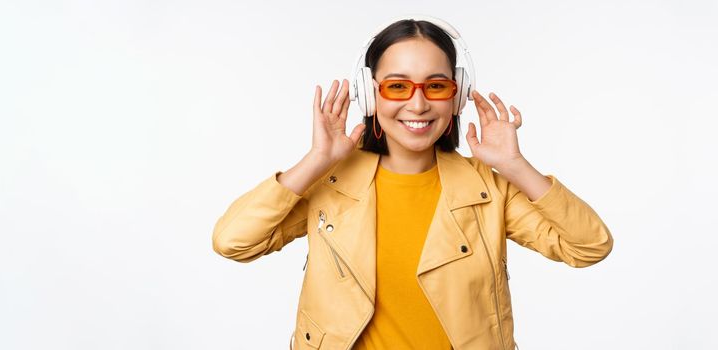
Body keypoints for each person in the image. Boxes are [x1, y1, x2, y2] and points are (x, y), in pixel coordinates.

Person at [212, 15, 614, 350]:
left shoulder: (490, 190)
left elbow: (589, 246)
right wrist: (316, 161)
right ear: (371, 96)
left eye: (436, 86)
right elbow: (233, 241)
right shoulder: (329, 183)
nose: (418, 104)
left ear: (457, 98)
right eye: (397, 86)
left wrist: (515, 165)